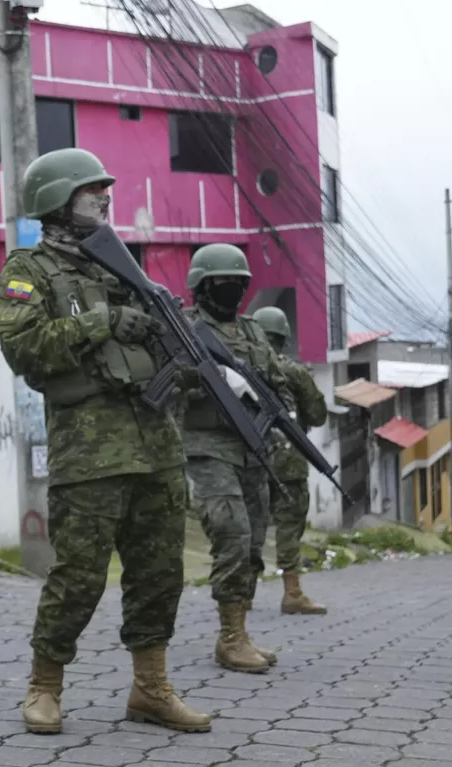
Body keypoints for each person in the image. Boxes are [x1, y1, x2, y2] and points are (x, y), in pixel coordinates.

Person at [0, 147, 211, 735]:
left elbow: (164, 354)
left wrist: (185, 353)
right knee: (81, 576)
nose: (105, 197)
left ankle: (150, 687)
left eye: (104, 188)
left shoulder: (126, 270)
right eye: (92, 189)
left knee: (160, 572)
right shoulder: (28, 270)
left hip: (156, 446)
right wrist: (104, 323)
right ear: (58, 201)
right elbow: (25, 348)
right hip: (90, 454)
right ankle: (45, 685)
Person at [182, 244, 284, 674]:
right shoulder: (184, 328)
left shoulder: (252, 332)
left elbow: (276, 378)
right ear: (203, 286)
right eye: (224, 284)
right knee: (232, 533)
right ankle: (229, 638)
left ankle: (240, 632)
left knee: (255, 544)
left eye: (240, 284)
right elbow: (170, 383)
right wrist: (216, 379)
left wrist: (266, 395)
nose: (234, 291)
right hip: (206, 446)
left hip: (253, 448)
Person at [248, 306, 330, 615]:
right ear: (283, 336)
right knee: (289, 524)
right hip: (287, 458)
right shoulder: (290, 370)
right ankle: (292, 592)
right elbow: (317, 415)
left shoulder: (237, 366)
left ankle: (244, 595)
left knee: (251, 524)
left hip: (250, 453)